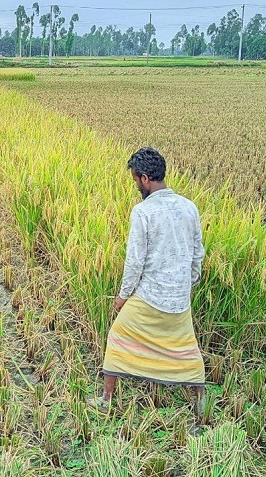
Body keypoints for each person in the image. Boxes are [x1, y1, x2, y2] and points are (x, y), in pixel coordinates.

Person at [88, 147, 207, 420]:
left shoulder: (143, 211)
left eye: (135, 180)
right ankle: (201, 401)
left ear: (144, 179)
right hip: (179, 298)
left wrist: (122, 296)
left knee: (117, 336)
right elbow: (198, 252)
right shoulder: (190, 207)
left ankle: (106, 400)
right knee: (186, 346)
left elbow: (135, 261)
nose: (136, 187)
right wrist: (186, 285)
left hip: (150, 296)